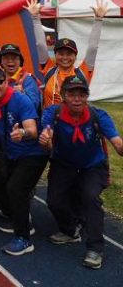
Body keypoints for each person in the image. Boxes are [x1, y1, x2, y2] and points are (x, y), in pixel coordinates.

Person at [39, 75, 123, 270]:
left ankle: (95, 248)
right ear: (63, 96)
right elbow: (47, 135)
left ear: (87, 96)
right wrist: (46, 140)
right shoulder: (53, 113)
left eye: (82, 94)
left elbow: (117, 143)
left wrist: (120, 147)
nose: (77, 98)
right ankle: (70, 230)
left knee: (90, 197)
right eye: (71, 94)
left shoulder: (98, 116)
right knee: (54, 201)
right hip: (64, 164)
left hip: (92, 165)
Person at [0, 66, 48, 256]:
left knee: (15, 188)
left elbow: (33, 130)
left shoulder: (21, 100)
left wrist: (22, 133)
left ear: (6, 81)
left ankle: (24, 238)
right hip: (10, 152)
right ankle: (18, 215)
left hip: (33, 152)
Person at [26, 0, 108, 110]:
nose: (65, 57)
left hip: (75, 123)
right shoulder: (49, 69)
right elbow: (40, 45)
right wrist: (35, 18)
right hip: (51, 123)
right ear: (55, 55)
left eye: (69, 54)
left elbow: (93, 48)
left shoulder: (83, 72)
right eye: (61, 53)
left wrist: (98, 19)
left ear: (75, 56)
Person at [0, 44, 41, 114]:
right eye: (6, 58)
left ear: (20, 61)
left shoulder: (28, 79)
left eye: (14, 58)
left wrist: (23, 94)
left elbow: (34, 105)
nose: (10, 61)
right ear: (1, 61)